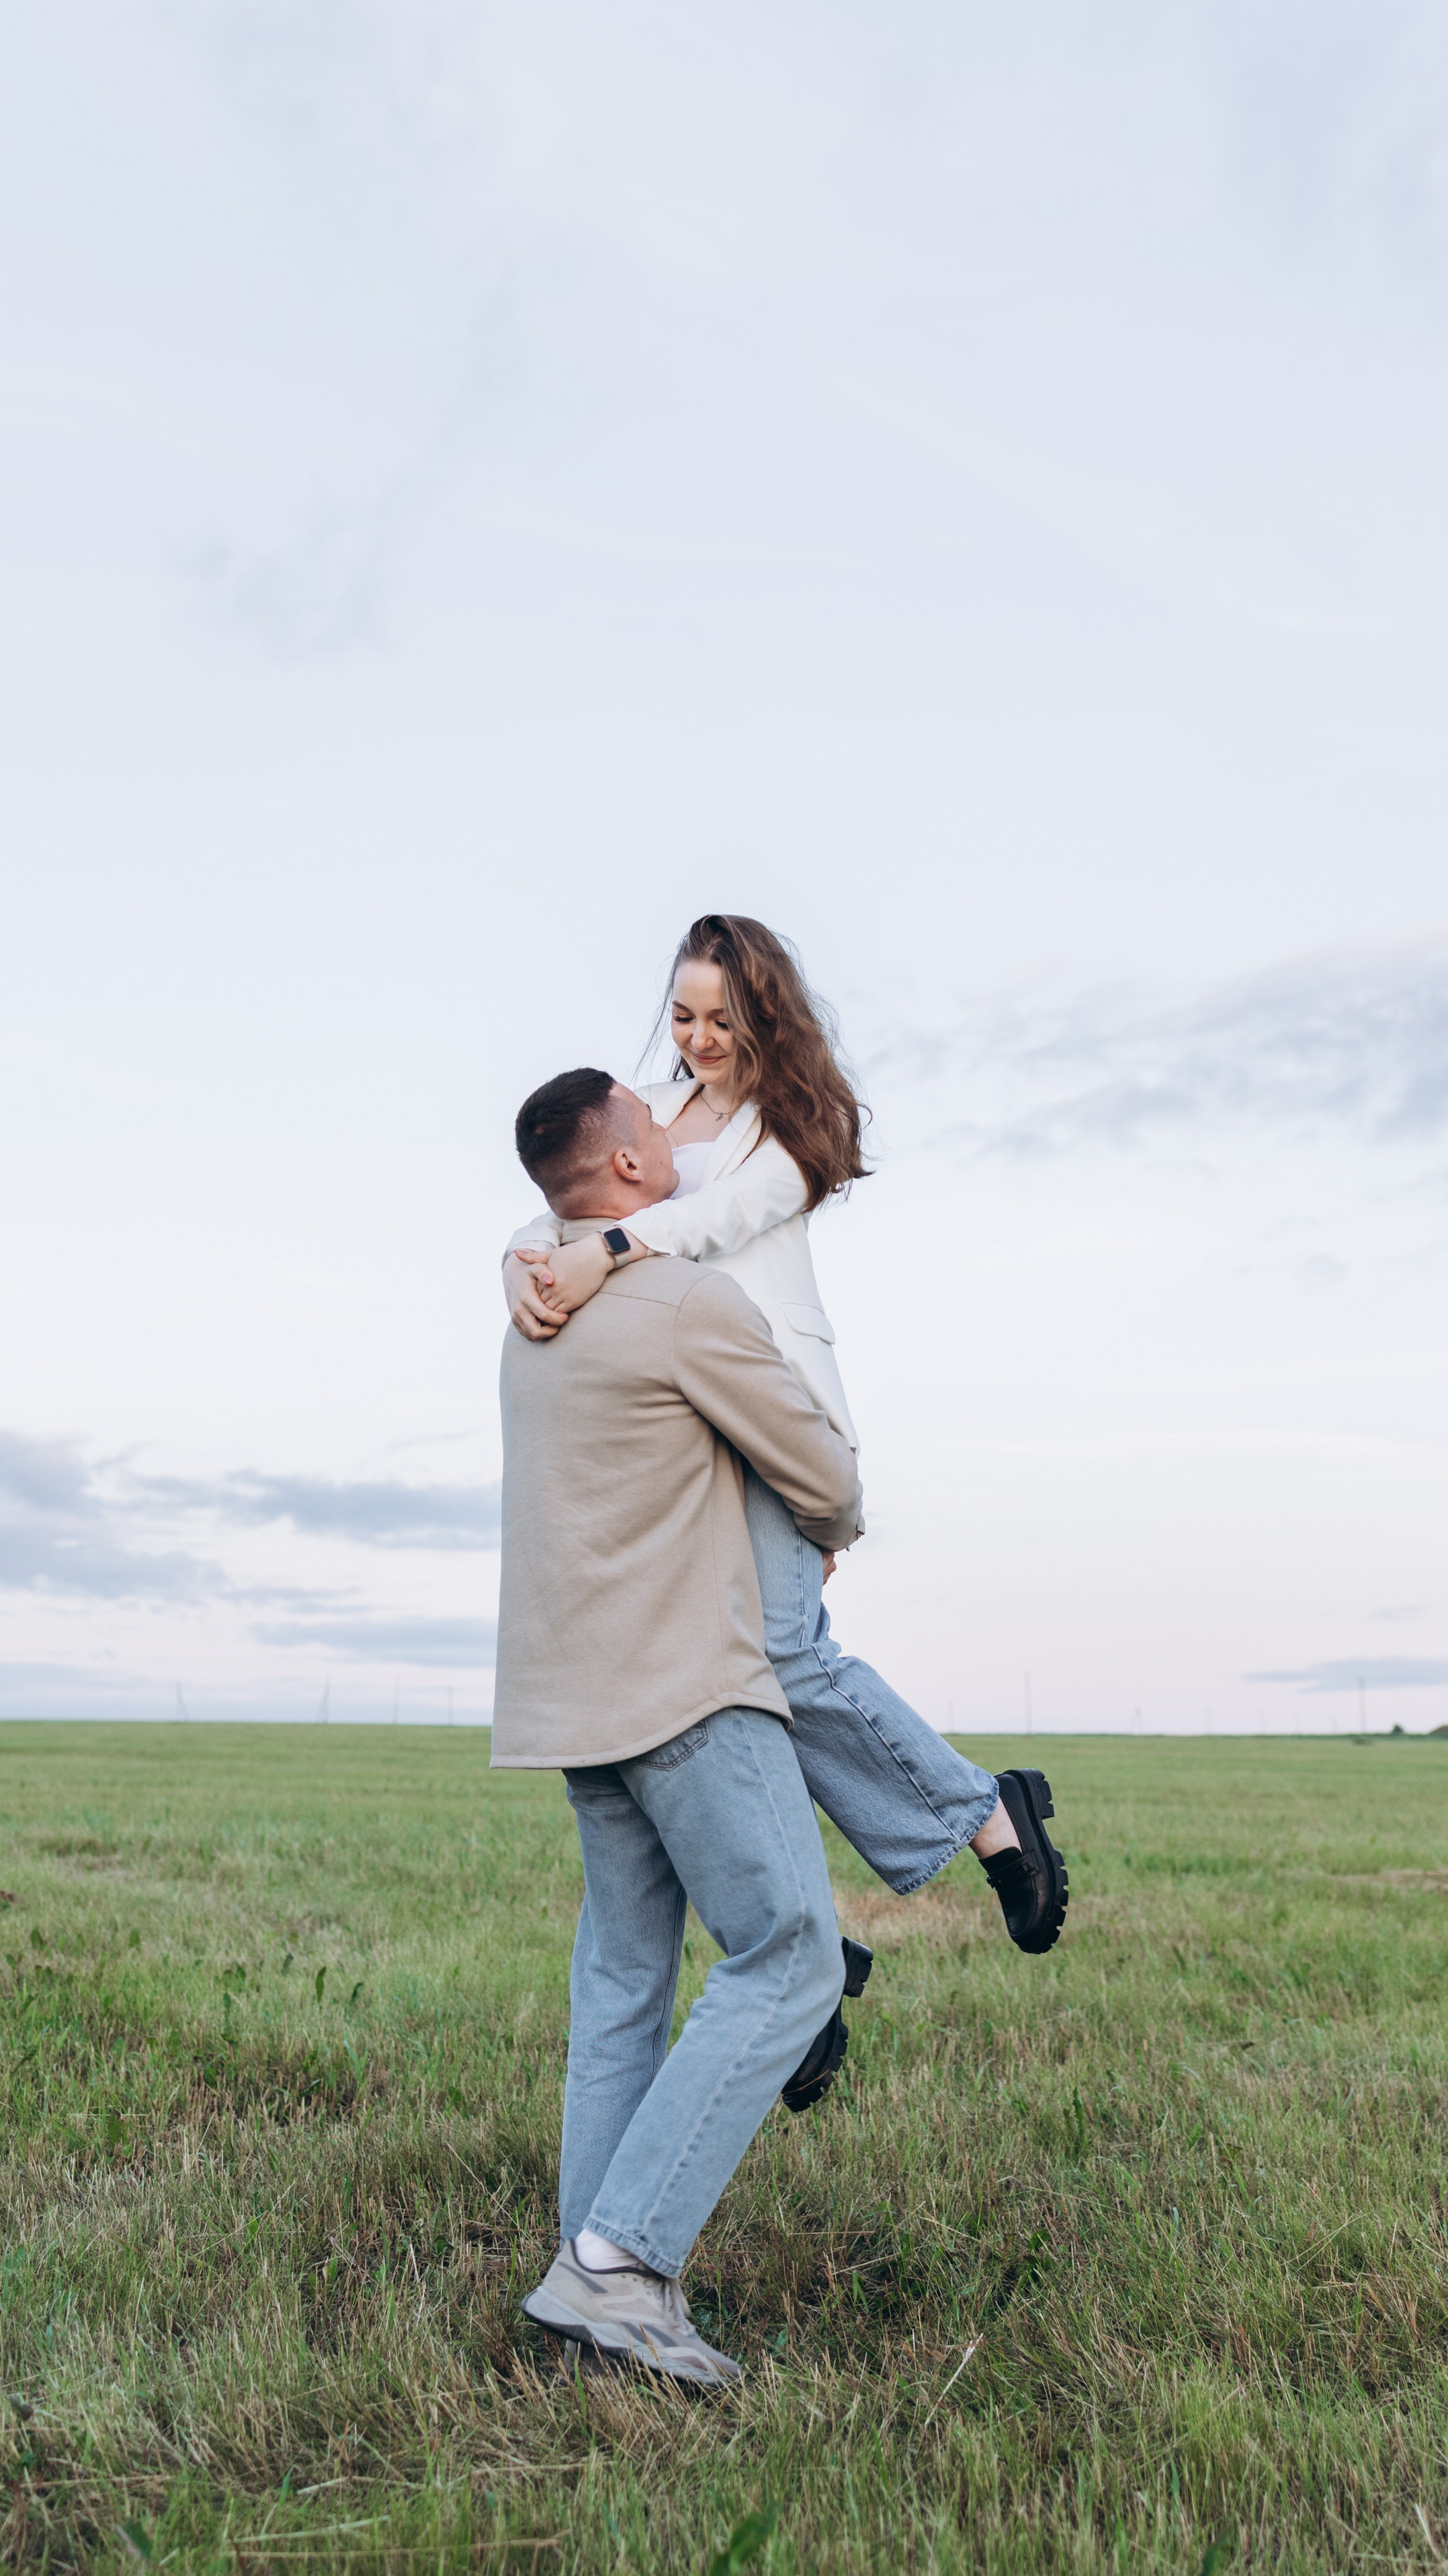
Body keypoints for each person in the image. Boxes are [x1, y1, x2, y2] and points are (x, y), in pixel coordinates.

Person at [501, 915, 1066, 1955]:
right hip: (668, 1426)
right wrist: (523, 1259)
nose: (700, 1037)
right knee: (697, 1691)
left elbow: (710, 1224)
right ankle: (795, 1943)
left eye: (723, 1016)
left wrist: (607, 1248)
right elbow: (564, 1197)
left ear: (766, 1014)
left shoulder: (790, 1129)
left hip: (767, 1409)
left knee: (785, 1662)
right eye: (682, 1015)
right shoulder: (650, 1110)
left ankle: (988, 1821)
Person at [495, 1069, 867, 2384]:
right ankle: (622, 2265)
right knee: (786, 1956)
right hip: (690, 1692)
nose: (677, 1127)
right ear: (634, 1173)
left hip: (575, 1705)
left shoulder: (529, 1314)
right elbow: (823, 1471)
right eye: (656, 1127)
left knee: (620, 1993)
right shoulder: (683, 1300)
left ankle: (579, 2290)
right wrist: (825, 1532)